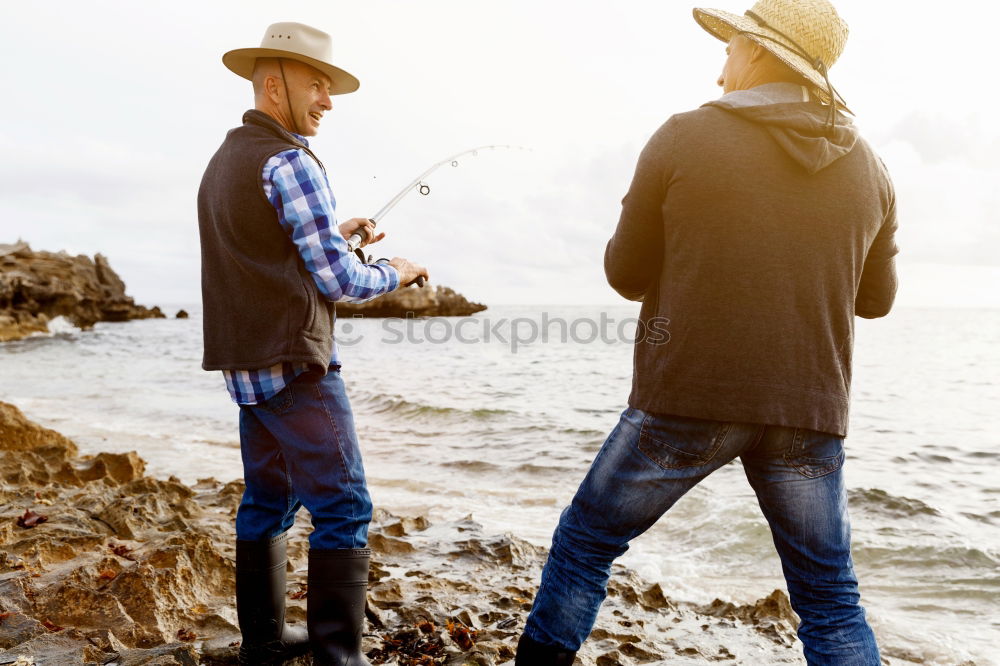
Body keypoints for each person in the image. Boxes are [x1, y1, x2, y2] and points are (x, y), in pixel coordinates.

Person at [516, 0, 897, 664]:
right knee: (831, 601)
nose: (721, 61)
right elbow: (878, 301)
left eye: (730, 46)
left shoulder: (684, 136)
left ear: (755, 53)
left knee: (584, 546)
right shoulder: (872, 169)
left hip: (688, 399)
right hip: (808, 411)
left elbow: (625, 273)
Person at [197, 22, 428, 666]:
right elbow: (341, 280)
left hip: (247, 371)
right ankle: (338, 658)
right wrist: (399, 272)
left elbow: (263, 251)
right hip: (297, 368)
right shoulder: (291, 160)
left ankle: (265, 646)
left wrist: (337, 226)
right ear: (276, 86)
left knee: (267, 502)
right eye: (317, 86)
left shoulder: (225, 160)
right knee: (347, 507)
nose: (328, 100)